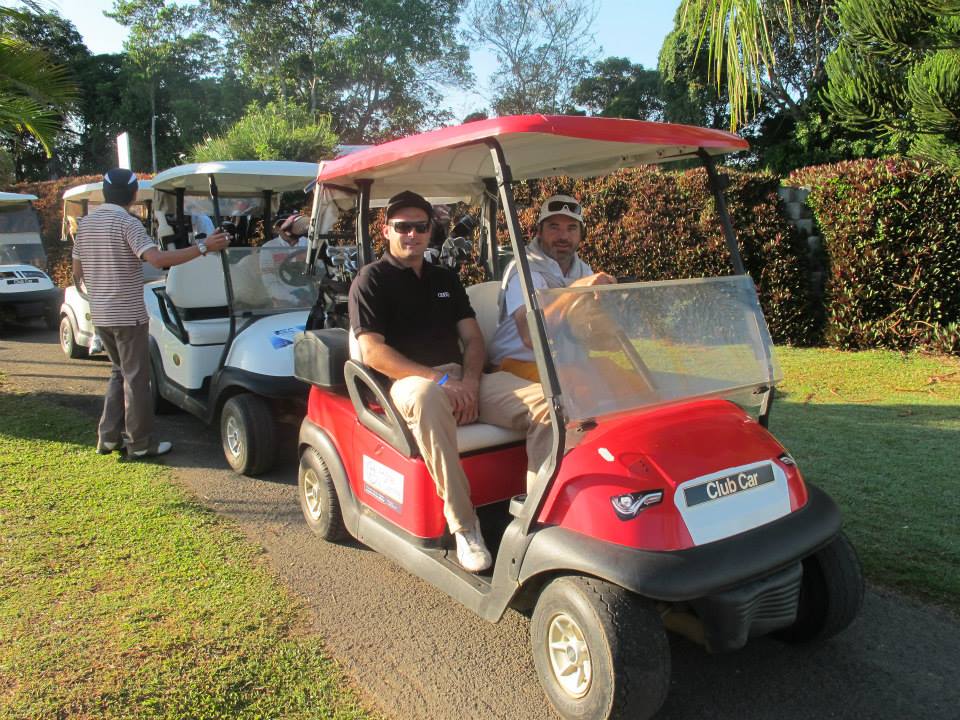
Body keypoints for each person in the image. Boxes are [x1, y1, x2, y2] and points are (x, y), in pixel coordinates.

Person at [348, 190, 552, 574]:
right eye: (402, 227)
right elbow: (373, 352)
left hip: (462, 378)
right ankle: (464, 525)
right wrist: (440, 380)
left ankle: (535, 514)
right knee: (428, 396)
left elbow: (473, 339)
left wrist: (470, 382)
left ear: (430, 231)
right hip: (410, 381)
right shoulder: (370, 280)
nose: (412, 234)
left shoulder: (444, 278)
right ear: (386, 230)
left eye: (420, 227)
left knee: (550, 404)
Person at [72, 168, 231, 459]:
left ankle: (108, 437)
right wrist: (204, 246)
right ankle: (140, 443)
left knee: (119, 373)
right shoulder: (127, 222)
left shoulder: (86, 225)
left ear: (105, 193)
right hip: (128, 315)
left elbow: (77, 272)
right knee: (136, 379)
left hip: (102, 314)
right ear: (133, 194)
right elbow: (157, 260)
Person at [488, 194, 616, 382]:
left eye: (571, 228)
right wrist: (575, 290)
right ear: (539, 232)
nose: (563, 236)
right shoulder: (524, 270)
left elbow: (594, 333)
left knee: (636, 383)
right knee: (580, 387)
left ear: (581, 234)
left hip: (566, 366)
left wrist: (612, 325)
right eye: (554, 227)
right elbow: (531, 336)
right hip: (516, 366)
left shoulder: (583, 270)